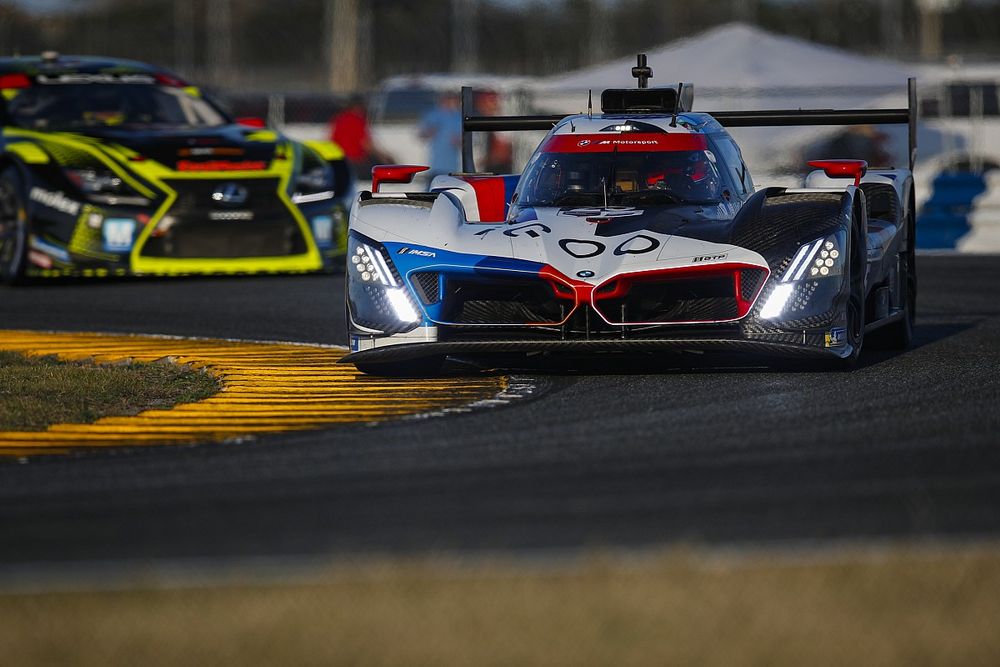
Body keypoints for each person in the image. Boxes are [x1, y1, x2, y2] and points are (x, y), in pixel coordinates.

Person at [328, 95, 389, 174]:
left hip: (340, 162)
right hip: (355, 163)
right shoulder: (358, 120)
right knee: (382, 168)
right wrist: (383, 157)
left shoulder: (339, 119)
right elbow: (367, 145)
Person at [418, 92, 463, 178]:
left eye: (453, 100)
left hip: (453, 166)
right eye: (448, 99)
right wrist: (429, 132)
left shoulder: (458, 117)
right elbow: (421, 135)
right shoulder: (432, 115)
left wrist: (459, 141)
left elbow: (466, 141)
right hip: (434, 165)